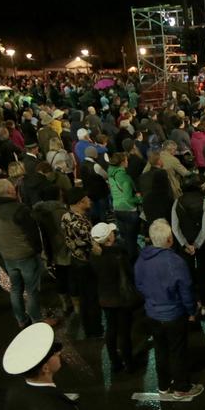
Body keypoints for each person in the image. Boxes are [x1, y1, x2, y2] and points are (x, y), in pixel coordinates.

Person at [135, 219, 203, 399]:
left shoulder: (142, 259)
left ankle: (163, 384)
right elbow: (186, 291)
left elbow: (139, 285)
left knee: (160, 349)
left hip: (152, 313)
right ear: (169, 240)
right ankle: (181, 387)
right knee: (177, 351)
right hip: (173, 315)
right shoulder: (175, 262)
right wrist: (191, 311)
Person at [0, 178, 44, 328]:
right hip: (25, 255)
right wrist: (39, 250)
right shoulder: (19, 209)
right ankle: (37, 319)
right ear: (11, 191)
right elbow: (33, 234)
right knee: (32, 290)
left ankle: (21, 319)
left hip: (7, 255)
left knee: (16, 288)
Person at [89, 222, 139, 372]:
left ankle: (114, 362)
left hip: (105, 298)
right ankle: (129, 363)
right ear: (109, 238)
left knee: (111, 330)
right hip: (121, 298)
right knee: (124, 332)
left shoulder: (93, 255)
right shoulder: (119, 253)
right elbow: (130, 274)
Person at [62, 187, 102, 337]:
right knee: (91, 298)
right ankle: (94, 330)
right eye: (87, 199)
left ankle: (88, 326)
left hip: (75, 260)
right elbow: (94, 247)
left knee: (85, 297)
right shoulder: (80, 224)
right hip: (86, 264)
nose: (90, 201)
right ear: (80, 202)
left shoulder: (66, 216)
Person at [172, 175, 205, 313]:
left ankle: (191, 305)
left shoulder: (177, 202)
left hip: (184, 246)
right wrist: (196, 245)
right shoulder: (204, 202)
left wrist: (185, 245)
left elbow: (175, 227)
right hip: (202, 245)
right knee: (202, 274)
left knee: (187, 274)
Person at [108, 152, 142, 258]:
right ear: (122, 162)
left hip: (117, 209)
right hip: (129, 211)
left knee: (125, 238)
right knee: (132, 239)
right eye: (126, 160)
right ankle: (134, 262)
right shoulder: (124, 178)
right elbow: (129, 198)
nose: (128, 162)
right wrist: (140, 199)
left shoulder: (111, 174)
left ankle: (126, 260)